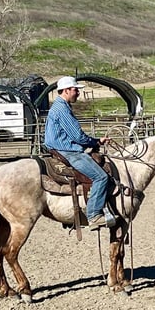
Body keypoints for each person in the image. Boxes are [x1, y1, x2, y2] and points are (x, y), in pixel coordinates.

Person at [44, 76, 112, 230]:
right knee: (101, 177)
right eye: (75, 90)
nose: (78, 93)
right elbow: (77, 136)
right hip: (68, 151)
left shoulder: (58, 106)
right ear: (67, 90)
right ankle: (94, 214)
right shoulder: (62, 109)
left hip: (59, 148)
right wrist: (95, 142)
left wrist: (94, 141)